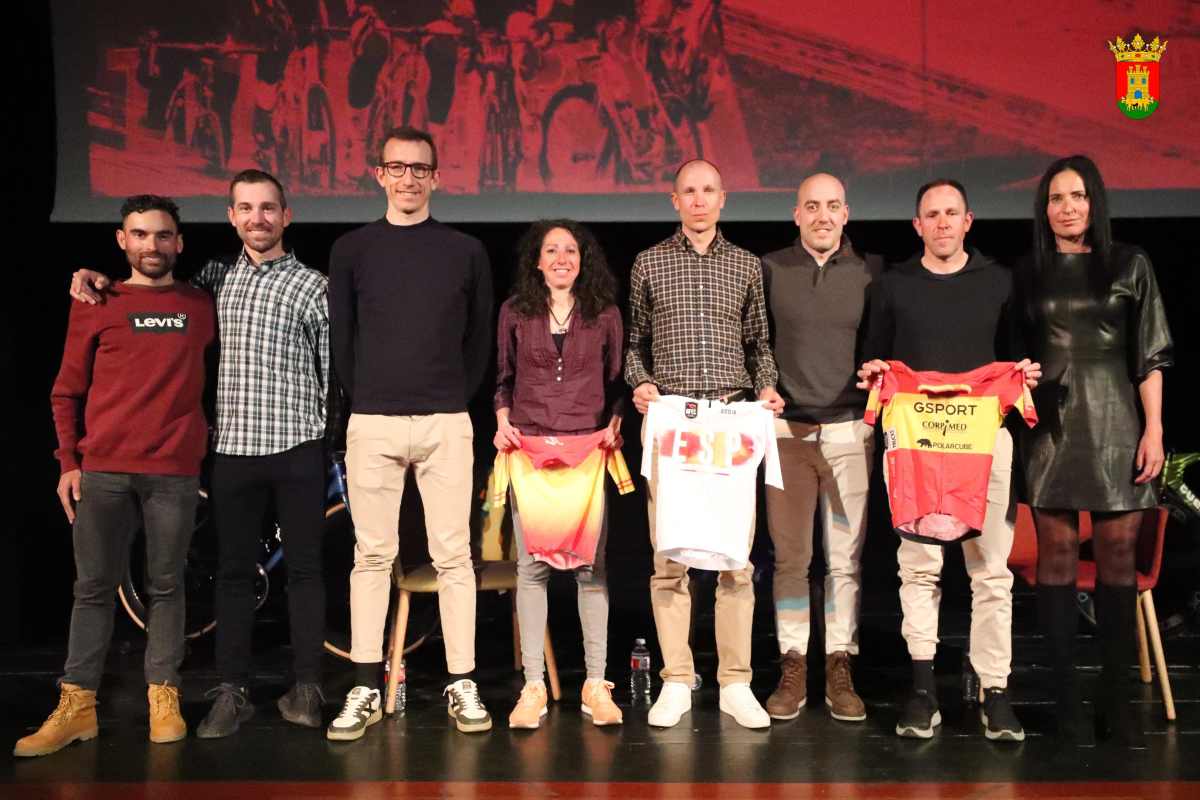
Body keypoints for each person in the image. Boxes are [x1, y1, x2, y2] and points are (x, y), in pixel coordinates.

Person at [70, 170, 332, 738]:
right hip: (233, 450)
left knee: (306, 573)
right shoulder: (211, 282)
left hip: (298, 449)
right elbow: (151, 288)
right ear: (231, 217)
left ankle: (308, 686)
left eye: (268, 208)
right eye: (245, 208)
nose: (258, 218)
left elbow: (332, 373)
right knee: (234, 573)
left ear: (287, 217)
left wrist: (330, 441)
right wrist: (91, 277)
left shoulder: (316, 286)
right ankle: (230, 692)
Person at [16, 196, 214, 757]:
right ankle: (77, 706)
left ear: (179, 242)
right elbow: (65, 391)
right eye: (141, 235)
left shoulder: (201, 303)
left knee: (167, 586)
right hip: (102, 471)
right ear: (121, 240)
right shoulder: (96, 301)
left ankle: (163, 694)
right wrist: (67, 463)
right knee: (92, 589)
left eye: (163, 235)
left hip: (173, 471)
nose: (152, 245)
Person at [857, 179, 1040, 742]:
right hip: (916, 446)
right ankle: (921, 690)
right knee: (919, 568)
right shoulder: (892, 285)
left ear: (968, 221)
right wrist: (871, 374)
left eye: (951, 213)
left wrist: (1025, 375)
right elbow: (874, 355)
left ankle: (996, 693)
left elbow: (1019, 353)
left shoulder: (1001, 283)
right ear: (917, 226)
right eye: (930, 214)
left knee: (991, 576)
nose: (941, 222)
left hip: (986, 443)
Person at [327, 125, 494, 740]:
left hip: (445, 421)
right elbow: (342, 339)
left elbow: (478, 340)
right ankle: (367, 685)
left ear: (435, 177)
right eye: (396, 167)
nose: (407, 178)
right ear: (379, 174)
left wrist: (452, 395)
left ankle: (462, 681)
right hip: (372, 421)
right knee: (371, 555)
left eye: (419, 168)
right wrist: (367, 398)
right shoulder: (351, 249)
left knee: (454, 557)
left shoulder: (465, 251)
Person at [1017, 155, 1172, 748]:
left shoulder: (1131, 262)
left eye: (1078, 196)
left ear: (1095, 201)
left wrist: (1152, 430)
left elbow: (1150, 356)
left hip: (1117, 427)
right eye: (1057, 198)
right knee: (1055, 561)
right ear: (1045, 208)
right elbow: (1014, 355)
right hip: (1051, 430)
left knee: (1115, 563)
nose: (1068, 207)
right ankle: (1066, 702)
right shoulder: (1029, 270)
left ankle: (1118, 698)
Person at [625, 158, 784, 730]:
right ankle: (675, 679)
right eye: (688, 191)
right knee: (669, 558)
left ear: (723, 198)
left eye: (708, 190)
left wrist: (766, 387)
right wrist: (640, 382)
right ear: (674, 200)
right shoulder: (648, 263)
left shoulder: (745, 265)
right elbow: (634, 343)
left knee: (734, 561)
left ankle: (736, 682)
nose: (698, 200)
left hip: (728, 424)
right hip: (671, 424)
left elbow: (759, 343)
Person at [494, 218, 626, 729]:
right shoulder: (514, 312)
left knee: (592, 571)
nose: (561, 258)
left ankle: (596, 684)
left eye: (570, 250)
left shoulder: (605, 314)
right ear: (537, 261)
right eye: (551, 250)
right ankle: (532, 688)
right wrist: (503, 423)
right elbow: (502, 378)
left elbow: (617, 384)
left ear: (583, 259)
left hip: (588, 455)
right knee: (533, 571)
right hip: (529, 454)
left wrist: (614, 424)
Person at [760, 173, 880, 723]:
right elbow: (753, 342)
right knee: (790, 560)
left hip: (849, 433)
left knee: (844, 562)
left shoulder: (869, 272)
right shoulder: (769, 269)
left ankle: (839, 662)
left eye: (833, 205)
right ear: (796, 214)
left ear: (847, 213)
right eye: (812, 206)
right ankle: (793, 662)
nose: (823, 215)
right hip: (787, 434)